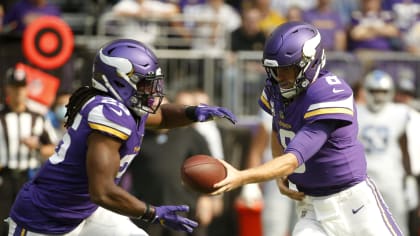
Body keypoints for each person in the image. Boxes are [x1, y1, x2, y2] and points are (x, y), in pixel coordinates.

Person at [7, 38, 237, 236]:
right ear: (118, 82)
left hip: (82, 210)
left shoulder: (125, 108)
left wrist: (193, 112)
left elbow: (163, 117)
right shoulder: (109, 114)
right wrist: (152, 213)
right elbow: (102, 191)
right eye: (145, 85)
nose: (153, 91)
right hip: (46, 218)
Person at [211, 21, 403, 236]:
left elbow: (293, 158)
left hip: (353, 204)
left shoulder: (328, 93)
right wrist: (278, 173)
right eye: (275, 71)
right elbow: (278, 126)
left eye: (287, 70)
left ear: (310, 62)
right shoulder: (275, 90)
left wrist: (241, 177)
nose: (280, 78)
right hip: (311, 208)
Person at [127, 96, 221, 236]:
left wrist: (207, 198)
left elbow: (210, 168)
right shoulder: (137, 136)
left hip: (186, 212)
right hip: (150, 213)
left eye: (162, 109)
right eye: (153, 109)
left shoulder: (190, 135)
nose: (158, 113)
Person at [357, 69, 419, 235]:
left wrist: (409, 177)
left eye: (383, 92)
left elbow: (404, 147)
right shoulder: (355, 112)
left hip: (392, 178)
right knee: (362, 226)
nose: (378, 97)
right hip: (362, 181)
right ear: (366, 91)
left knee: (397, 225)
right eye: (374, 91)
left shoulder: (398, 113)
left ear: (390, 92)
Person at [0, 67, 57, 236]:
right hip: (4, 177)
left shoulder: (38, 117)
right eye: (14, 87)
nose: (18, 91)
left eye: (22, 87)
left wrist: (38, 147)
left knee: (28, 224)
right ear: (7, 88)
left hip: (29, 177)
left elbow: (56, 148)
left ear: (27, 89)